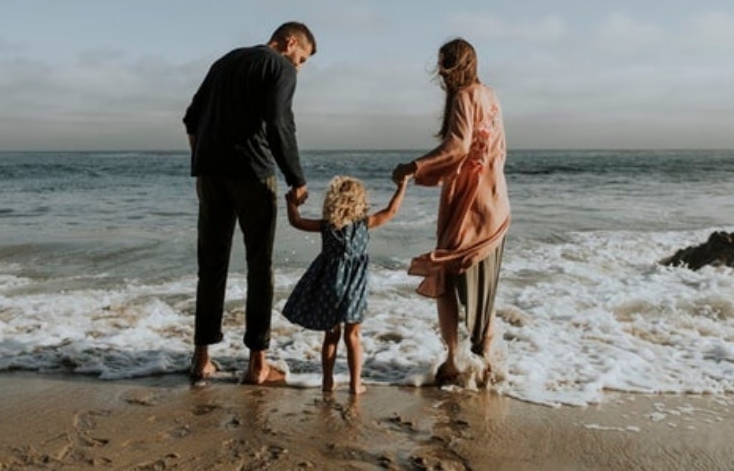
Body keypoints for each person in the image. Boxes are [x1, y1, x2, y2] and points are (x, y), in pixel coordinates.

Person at [182, 21, 317, 385]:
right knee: (259, 265)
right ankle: (257, 363)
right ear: (290, 43)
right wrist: (296, 178)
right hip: (253, 174)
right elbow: (278, 122)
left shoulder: (225, 61)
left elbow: (191, 117)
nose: (299, 67)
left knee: (211, 266)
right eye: (302, 59)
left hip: (210, 174)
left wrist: (202, 165)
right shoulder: (280, 67)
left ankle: (201, 359)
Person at [392, 37, 510, 386]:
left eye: (444, 68)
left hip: (468, 203)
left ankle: (454, 359)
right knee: (483, 285)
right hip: (497, 200)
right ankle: (487, 361)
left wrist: (413, 167)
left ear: (452, 68)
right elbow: (497, 150)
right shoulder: (491, 96)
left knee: (443, 273)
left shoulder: (463, 96)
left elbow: (457, 146)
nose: (441, 77)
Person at [282, 175, 409, 394]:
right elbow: (391, 211)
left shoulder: (327, 226)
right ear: (360, 201)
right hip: (354, 287)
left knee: (331, 335)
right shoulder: (364, 224)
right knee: (353, 335)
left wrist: (291, 203)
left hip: (329, 286)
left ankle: (328, 382)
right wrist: (402, 186)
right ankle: (355, 384)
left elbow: (297, 222)